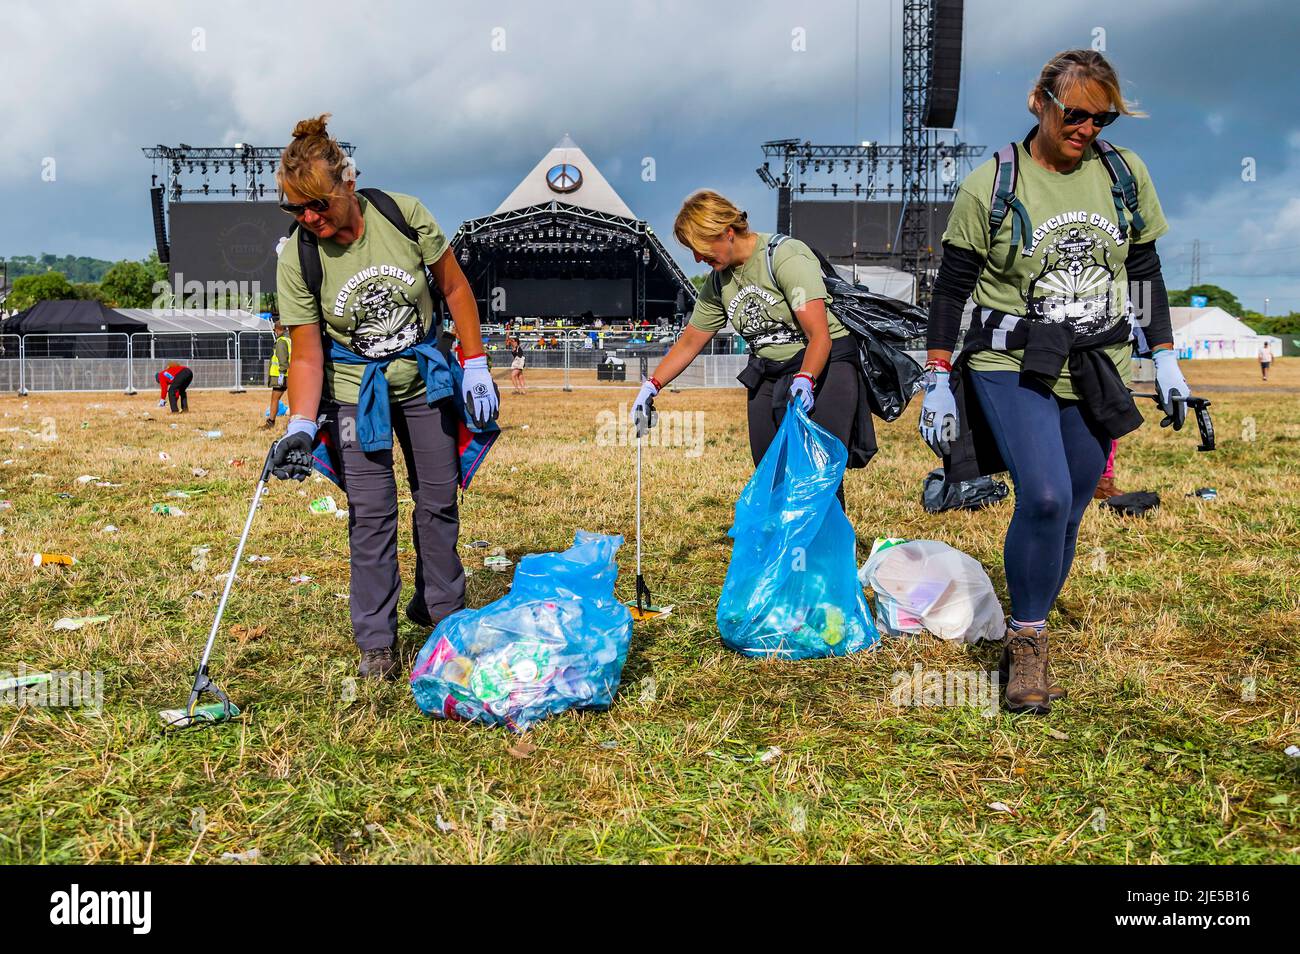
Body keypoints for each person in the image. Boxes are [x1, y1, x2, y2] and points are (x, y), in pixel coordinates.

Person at [919, 49, 1189, 714]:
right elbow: (952, 289)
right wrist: (937, 376)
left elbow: (1146, 268)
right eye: (1077, 114)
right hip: (1013, 360)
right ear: (1041, 101)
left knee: (1069, 505)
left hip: (1099, 360)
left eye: (1103, 120)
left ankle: (1029, 616)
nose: (1088, 129)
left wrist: (1165, 356)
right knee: (1040, 495)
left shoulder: (1124, 177)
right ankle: (1029, 644)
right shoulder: (992, 185)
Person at [266, 114, 498, 681]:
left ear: (348, 180)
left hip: (425, 382)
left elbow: (454, 288)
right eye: (296, 210)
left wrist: (475, 362)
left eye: (317, 204)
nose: (310, 219)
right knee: (372, 515)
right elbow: (306, 353)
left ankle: (444, 620)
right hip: (353, 394)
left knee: (438, 501)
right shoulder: (298, 256)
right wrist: (299, 422)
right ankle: (376, 643)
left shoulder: (403, 214)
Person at [631, 190, 875, 502]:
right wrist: (652, 385)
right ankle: (781, 548)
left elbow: (819, 336)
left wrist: (806, 379)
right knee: (770, 472)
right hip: (769, 371)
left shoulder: (784, 256)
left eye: (701, 248)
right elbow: (691, 341)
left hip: (824, 366)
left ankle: (824, 550)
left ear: (727, 233)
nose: (697, 258)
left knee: (816, 474)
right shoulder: (718, 282)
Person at [263, 320, 291, 429]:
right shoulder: (290, 340)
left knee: (274, 399)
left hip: (282, 376)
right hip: (291, 374)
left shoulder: (281, 341)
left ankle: (271, 422)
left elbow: (282, 359)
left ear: (277, 330)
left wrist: (281, 374)